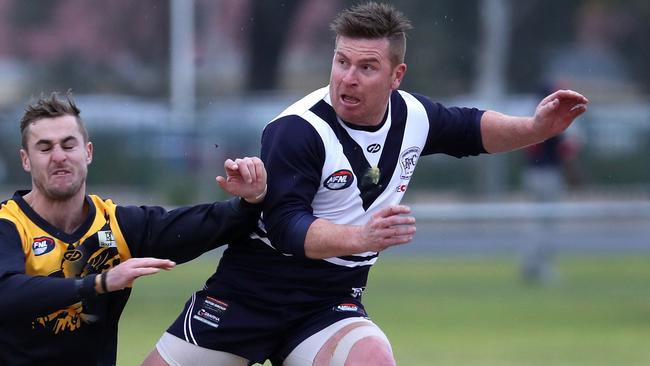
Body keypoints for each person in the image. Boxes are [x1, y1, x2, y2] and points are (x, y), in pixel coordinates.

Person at [144, 2, 589, 365]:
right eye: (341, 61)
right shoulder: (297, 130)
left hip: (328, 301)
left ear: (396, 77)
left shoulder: (413, 115)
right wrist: (363, 237)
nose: (347, 78)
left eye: (366, 67)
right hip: (249, 294)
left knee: (373, 358)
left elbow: (471, 130)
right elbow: (286, 227)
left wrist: (536, 128)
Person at [0, 91, 267, 365]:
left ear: (88, 152)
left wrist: (249, 200)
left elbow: (197, 226)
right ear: (25, 159)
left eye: (69, 146)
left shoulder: (114, 224)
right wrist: (100, 282)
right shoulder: (8, 223)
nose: (59, 157)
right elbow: (6, 293)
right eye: (45, 148)